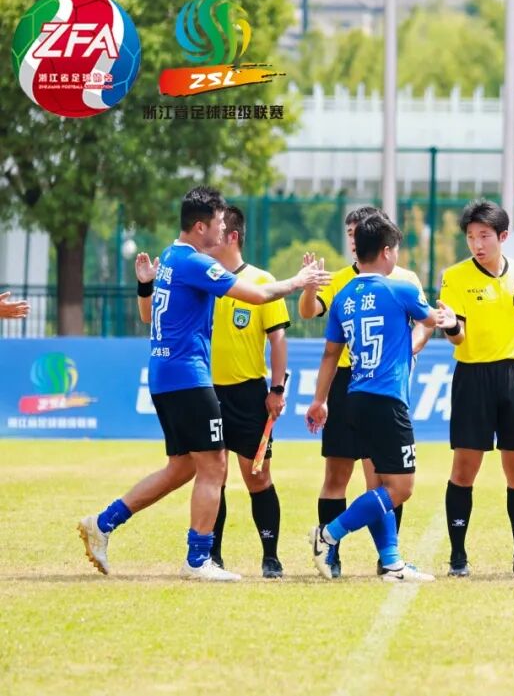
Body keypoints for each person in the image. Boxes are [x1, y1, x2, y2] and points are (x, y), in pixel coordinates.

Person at [77, 186, 329, 581]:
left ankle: (102, 523)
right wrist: (299, 280)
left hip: (164, 375)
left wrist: (144, 285)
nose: (222, 228)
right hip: (188, 377)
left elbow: (148, 315)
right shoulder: (194, 263)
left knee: (181, 468)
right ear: (200, 227)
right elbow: (258, 295)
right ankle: (198, 560)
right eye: (218, 222)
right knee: (214, 466)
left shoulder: (171, 258)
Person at [135, 205, 291, 578]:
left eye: (222, 228)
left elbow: (278, 339)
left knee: (257, 477)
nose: (216, 234)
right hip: (205, 390)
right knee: (213, 473)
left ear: (231, 236)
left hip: (248, 393)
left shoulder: (258, 279)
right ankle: (210, 556)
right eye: (214, 226)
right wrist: (145, 286)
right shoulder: (198, 272)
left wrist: (277, 388)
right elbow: (150, 315)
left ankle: (270, 556)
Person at [306, 210, 455, 582]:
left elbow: (329, 354)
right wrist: (449, 318)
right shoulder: (401, 289)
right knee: (400, 488)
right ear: (387, 251)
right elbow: (432, 321)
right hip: (387, 400)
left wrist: (319, 399)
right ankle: (328, 534)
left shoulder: (343, 297)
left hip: (354, 396)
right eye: (396, 250)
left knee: (381, 484)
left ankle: (391, 563)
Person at [439, 200, 514, 577]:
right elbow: (458, 336)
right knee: (464, 469)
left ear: (503, 236)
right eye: (470, 237)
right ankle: (457, 556)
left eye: (484, 236)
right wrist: (451, 327)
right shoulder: (455, 277)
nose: (477, 244)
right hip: (473, 378)